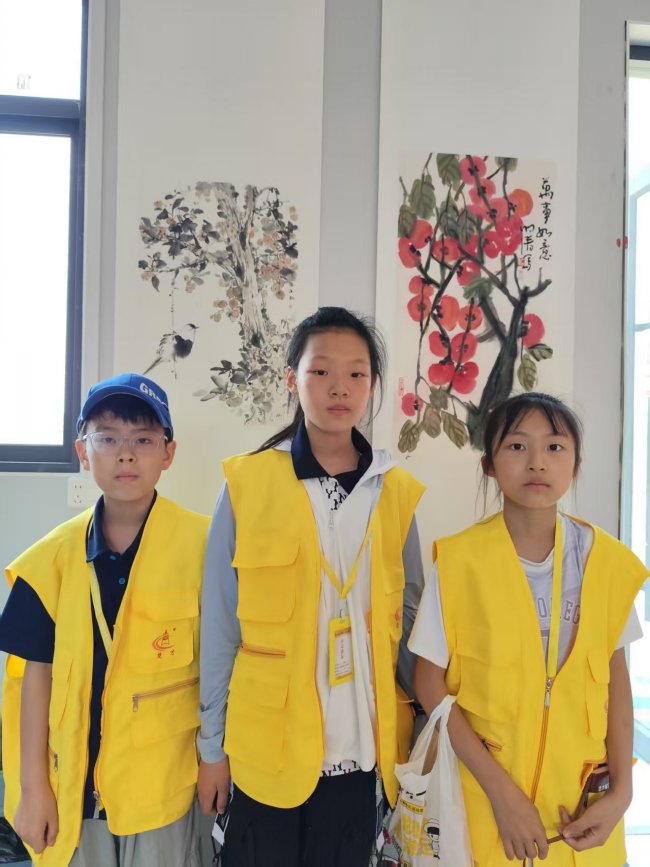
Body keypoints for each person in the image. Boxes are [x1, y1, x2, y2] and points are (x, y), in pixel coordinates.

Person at [197, 306, 425, 866]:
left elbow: (410, 622)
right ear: (292, 380)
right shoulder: (248, 483)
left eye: (356, 373)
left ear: (372, 385)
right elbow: (220, 625)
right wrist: (211, 749)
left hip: (361, 755)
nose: (339, 387)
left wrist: (422, 731)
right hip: (264, 751)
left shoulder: (394, 491)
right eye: (320, 371)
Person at [410, 392, 647, 866]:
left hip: (581, 811)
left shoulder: (608, 563)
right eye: (517, 446)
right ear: (489, 465)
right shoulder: (459, 562)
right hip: (483, 804)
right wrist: (502, 794)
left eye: (555, 447)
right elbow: (429, 685)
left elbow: (616, 687)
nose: (537, 461)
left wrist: (622, 793)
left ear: (575, 463)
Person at [0, 374, 209, 867]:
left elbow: (221, 669)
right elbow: (34, 678)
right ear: (83, 451)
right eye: (108, 439)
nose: (126, 455)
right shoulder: (49, 560)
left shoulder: (204, 547)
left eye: (143, 440)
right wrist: (33, 788)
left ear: (168, 453)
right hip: (74, 787)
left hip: (165, 789)